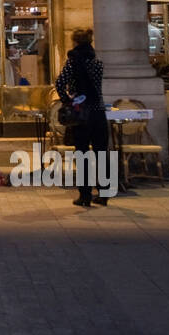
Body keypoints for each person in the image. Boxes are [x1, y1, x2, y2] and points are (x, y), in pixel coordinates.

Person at [55, 27, 108, 208]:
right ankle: (104, 192)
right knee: (101, 151)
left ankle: (85, 195)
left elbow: (60, 83)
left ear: (75, 42)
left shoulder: (72, 61)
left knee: (83, 153)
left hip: (82, 112)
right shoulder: (97, 61)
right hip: (98, 111)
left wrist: (68, 100)